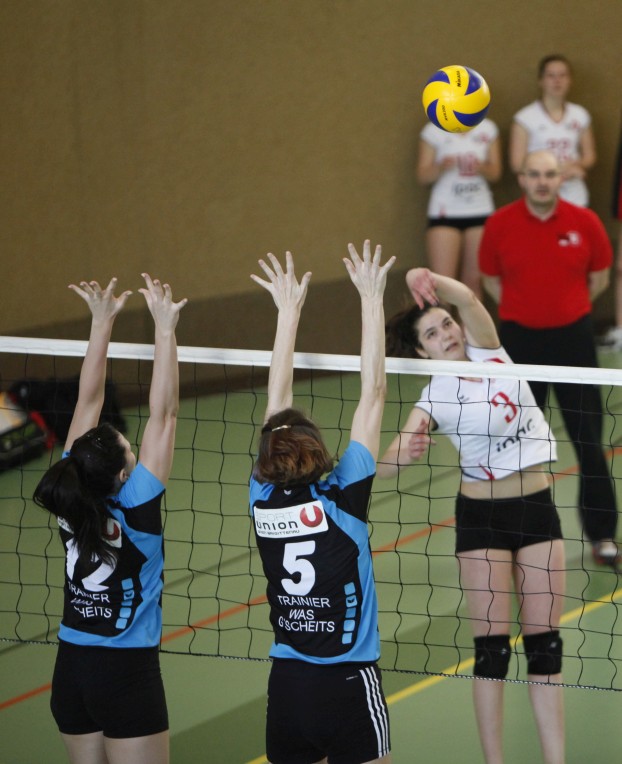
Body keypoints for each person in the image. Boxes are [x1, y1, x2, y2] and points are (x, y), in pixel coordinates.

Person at [379, 268, 566, 764]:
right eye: (432, 334)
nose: (445, 334)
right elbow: (390, 459)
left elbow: (466, 298)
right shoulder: (435, 395)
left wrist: (426, 278)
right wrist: (403, 453)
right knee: (492, 652)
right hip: (481, 519)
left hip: (536, 508)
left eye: (446, 324)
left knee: (546, 647)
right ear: (422, 352)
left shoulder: (490, 351)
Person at [250, 241, 395, 764]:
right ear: (319, 450)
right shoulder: (345, 497)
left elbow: (275, 404)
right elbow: (373, 392)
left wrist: (287, 312)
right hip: (348, 684)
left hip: (287, 688)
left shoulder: (262, 498)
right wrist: (371, 298)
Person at [33, 275, 187, 764]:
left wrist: (101, 323)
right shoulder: (138, 504)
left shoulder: (71, 493)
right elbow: (164, 415)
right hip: (126, 677)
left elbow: (87, 402)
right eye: (130, 450)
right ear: (124, 474)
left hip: (71, 673)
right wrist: (165, 329)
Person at [479, 149, 619, 566]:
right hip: (520, 344)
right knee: (518, 444)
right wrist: (525, 312)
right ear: (522, 178)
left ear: (561, 179)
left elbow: (599, 277)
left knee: (589, 441)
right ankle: (518, 535)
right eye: (535, 174)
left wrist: (566, 310)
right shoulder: (499, 224)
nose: (542, 181)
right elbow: (490, 278)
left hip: (574, 342)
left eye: (550, 174)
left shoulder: (585, 222)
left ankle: (603, 535)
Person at [416, 118, 501, 298]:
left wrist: (481, 167)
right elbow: (423, 176)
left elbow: (496, 174)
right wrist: (440, 167)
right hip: (445, 211)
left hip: (480, 210)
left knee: (474, 282)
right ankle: (443, 316)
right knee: (443, 284)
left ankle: (471, 318)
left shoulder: (487, 128)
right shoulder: (433, 130)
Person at [509, 54, 595, 208]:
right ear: (541, 81)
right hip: (539, 195)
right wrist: (554, 171)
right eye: (551, 76)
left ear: (570, 80)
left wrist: (575, 166)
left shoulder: (580, 115)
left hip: (575, 195)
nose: (557, 80)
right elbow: (517, 164)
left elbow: (589, 156)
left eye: (562, 75)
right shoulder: (525, 118)